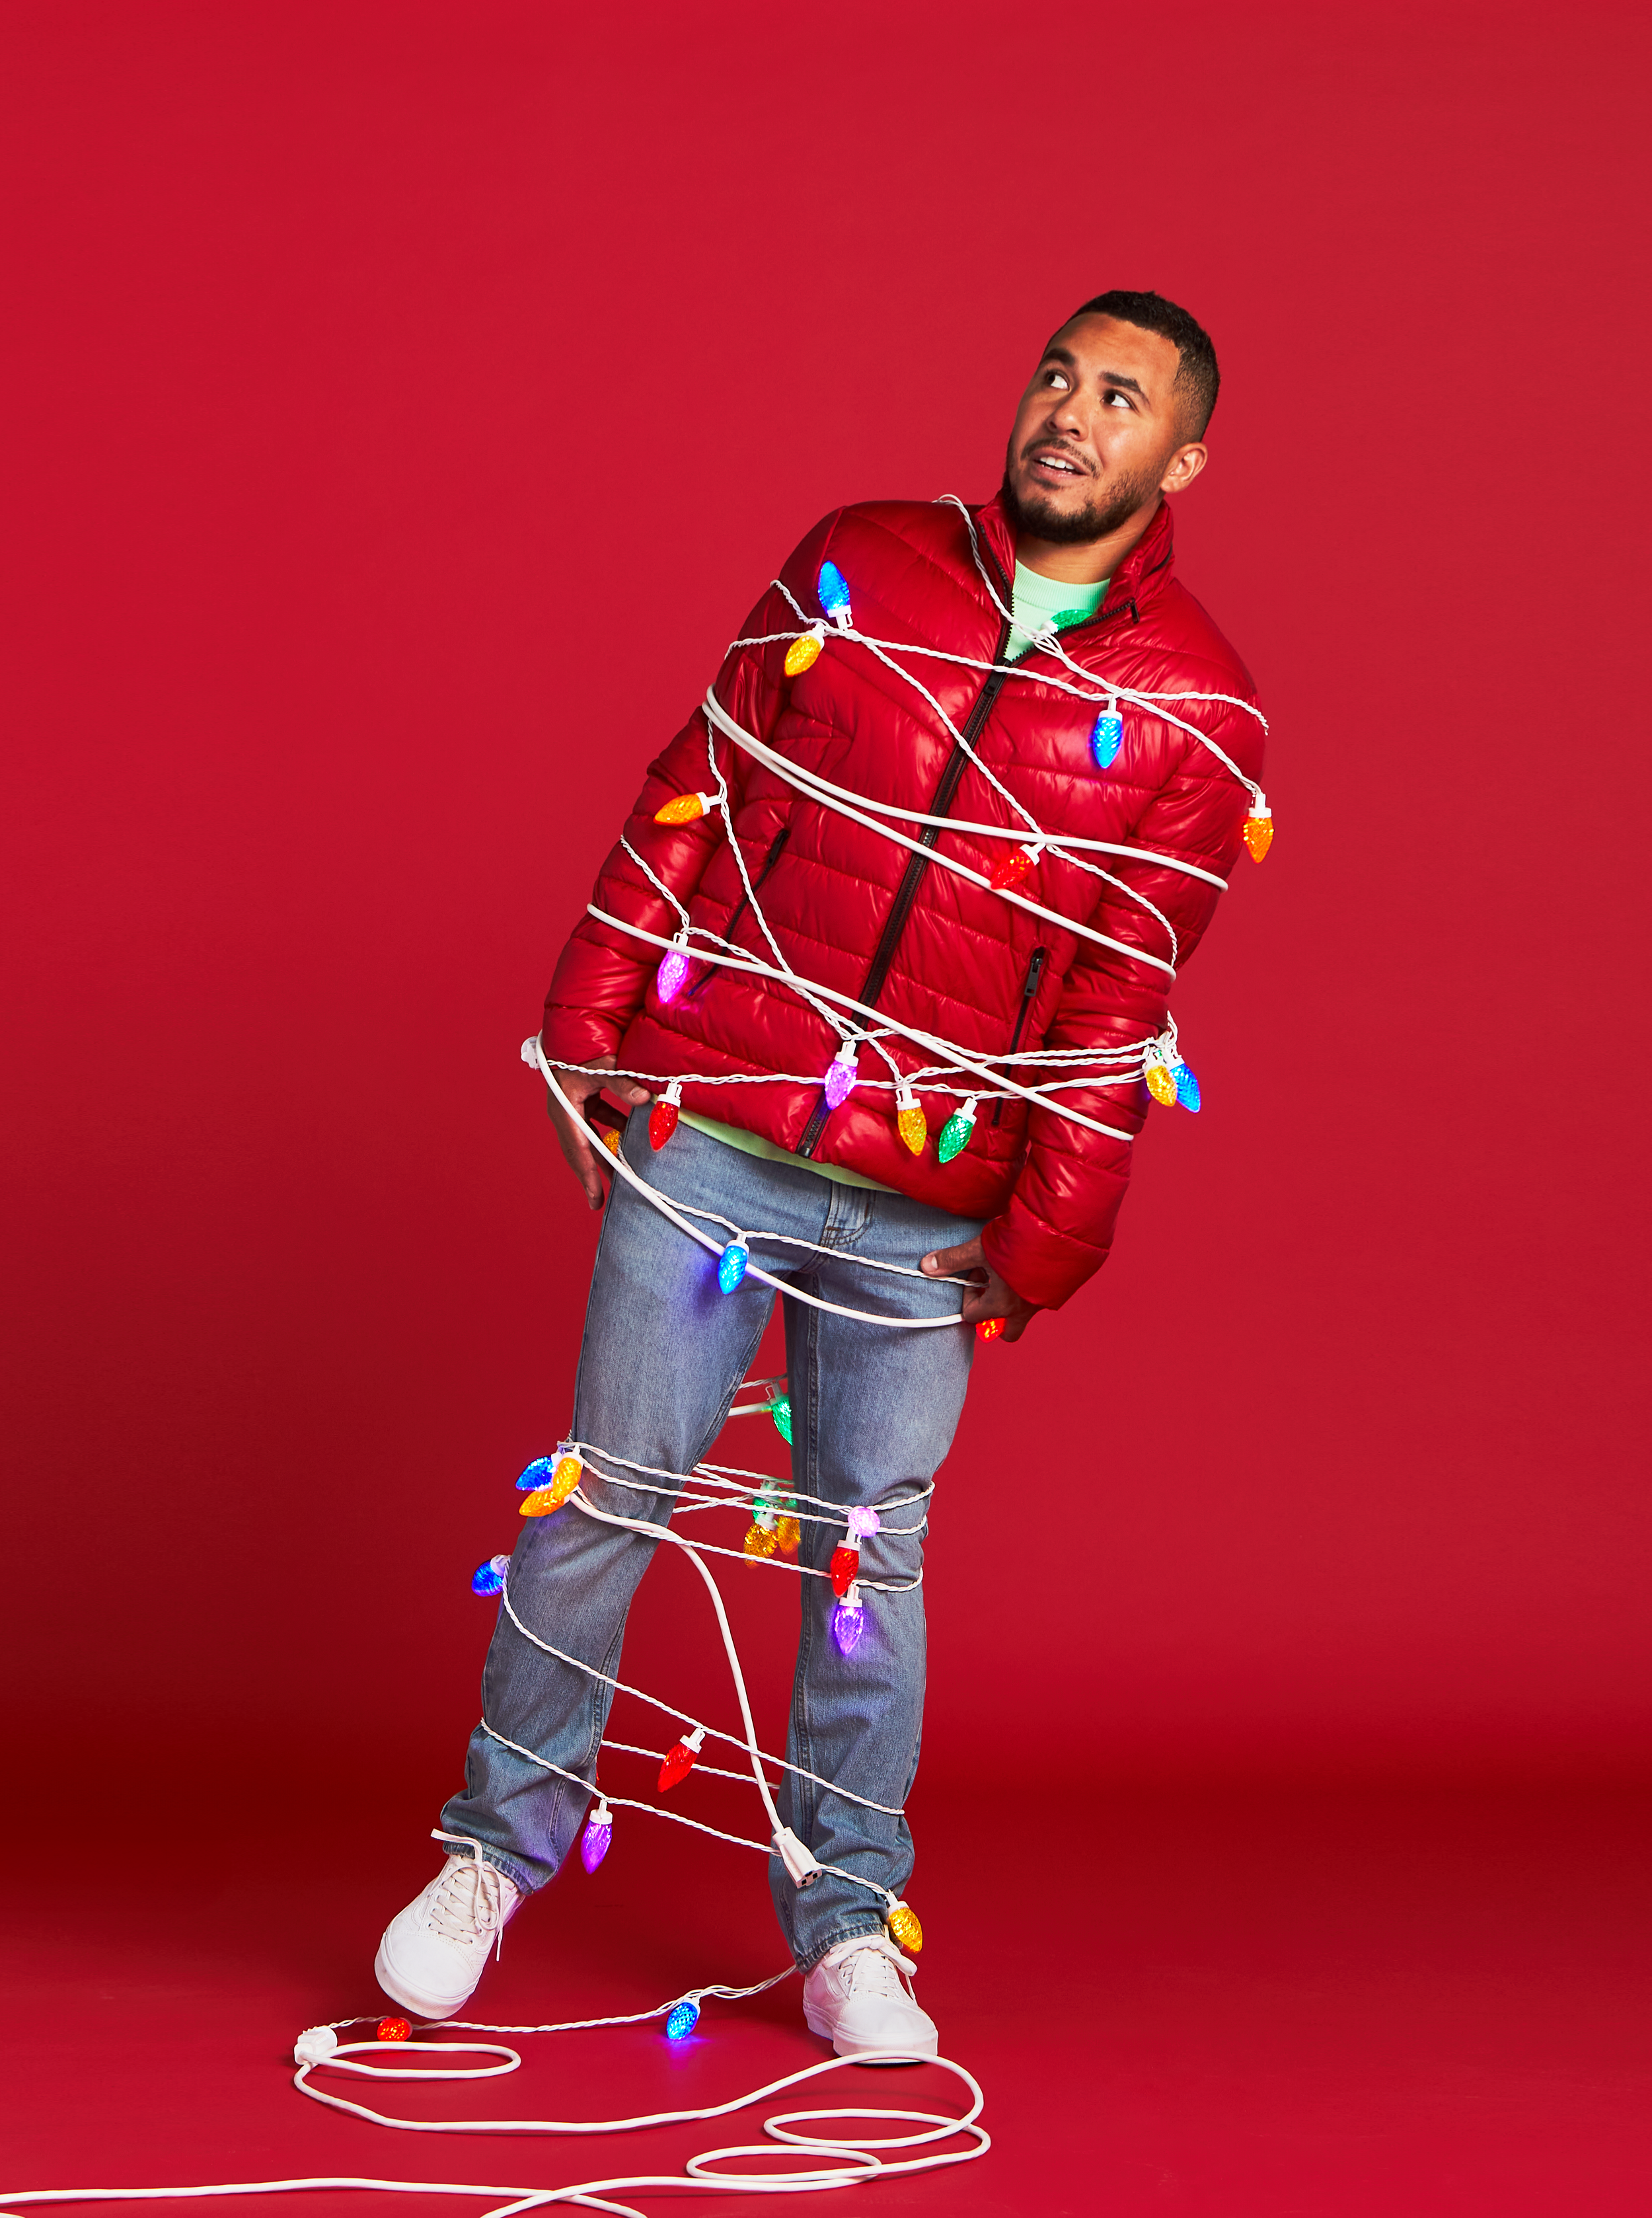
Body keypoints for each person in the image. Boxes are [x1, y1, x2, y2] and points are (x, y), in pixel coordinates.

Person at [375, 290, 1265, 2058]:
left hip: (931, 1210)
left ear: (1182, 456)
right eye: (1055, 376)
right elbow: (698, 785)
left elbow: (1114, 1000)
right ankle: (492, 1849)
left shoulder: (1196, 708)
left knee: (866, 1562)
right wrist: (595, 1016)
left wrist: (1044, 1241)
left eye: (1119, 398)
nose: (1068, 415)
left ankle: (848, 1918)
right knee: (604, 1501)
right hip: (719, 1130)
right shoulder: (856, 563)